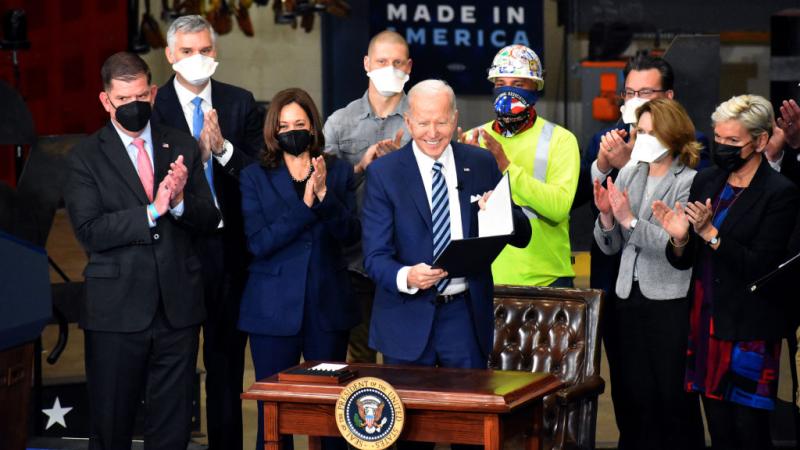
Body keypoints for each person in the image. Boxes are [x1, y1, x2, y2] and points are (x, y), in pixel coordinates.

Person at [64, 52, 219, 449]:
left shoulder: (180, 143)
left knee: (172, 428)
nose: (134, 106)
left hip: (177, 311)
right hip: (116, 312)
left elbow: (209, 217)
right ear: (105, 100)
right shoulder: (85, 157)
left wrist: (179, 201)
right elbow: (90, 231)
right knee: (112, 426)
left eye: (140, 97)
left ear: (152, 93)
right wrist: (152, 211)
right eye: (123, 100)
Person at [652, 94, 800, 449]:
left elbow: (761, 266)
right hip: (706, 323)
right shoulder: (707, 181)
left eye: (733, 140)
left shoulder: (780, 193)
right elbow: (686, 260)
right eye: (718, 137)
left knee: (749, 432)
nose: (722, 146)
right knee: (718, 431)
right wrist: (679, 239)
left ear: (760, 141)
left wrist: (711, 234)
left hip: (749, 330)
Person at [580, 54, 710, 446]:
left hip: (669, 301)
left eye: (650, 131)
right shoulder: (630, 173)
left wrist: (630, 221)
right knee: (633, 397)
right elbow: (611, 245)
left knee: (672, 399)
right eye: (639, 130)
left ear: (672, 133)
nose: (641, 137)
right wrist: (607, 218)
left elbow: (676, 245)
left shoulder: (690, 180)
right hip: (627, 298)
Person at [363, 78, 531, 374]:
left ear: (455, 119)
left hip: (465, 318)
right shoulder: (384, 174)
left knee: (469, 403)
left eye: (441, 122)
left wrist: (500, 212)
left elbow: (522, 235)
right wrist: (407, 276)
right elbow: (375, 257)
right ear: (408, 121)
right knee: (409, 404)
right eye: (423, 123)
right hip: (405, 320)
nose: (432, 133)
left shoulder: (481, 163)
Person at [150, 15, 264, 450]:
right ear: (170, 55)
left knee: (226, 368)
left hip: (229, 254)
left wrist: (223, 150)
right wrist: (196, 157)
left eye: (205, 50)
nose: (197, 58)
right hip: (174, 252)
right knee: (174, 369)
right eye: (187, 51)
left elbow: (259, 176)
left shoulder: (240, 102)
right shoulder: (154, 105)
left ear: (215, 52)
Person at [238, 88, 359, 450]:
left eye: (300, 124)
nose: (292, 131)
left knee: (331, 416)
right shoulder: (254, 176)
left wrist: (324, 198)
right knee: (274, 417)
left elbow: (351, 234)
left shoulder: (337, 171)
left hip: (327, 308)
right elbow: (258, 243)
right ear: (273, 131)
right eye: (284, 126)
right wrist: (305, 205)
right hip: (272, 313)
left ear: (313, 126)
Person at [322, 29, 412, 364]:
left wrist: (402, 169)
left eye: (397, 62)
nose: (390, 69)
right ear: (366, 64)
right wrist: (359, 167)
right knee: (358, 361)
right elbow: (323, 192)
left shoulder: (422, 121)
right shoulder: (340, 123)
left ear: (409, 67)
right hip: (354, 262)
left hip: (407, 260)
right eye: (382, 61)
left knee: (403, 358)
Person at [462, 44, 579, 287]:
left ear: (535, 87)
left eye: (517, 84)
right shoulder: (473, 138)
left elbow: (558, 208)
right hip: (486, 278)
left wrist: (505, 166)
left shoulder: (560, 140)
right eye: (500, 84)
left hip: (547, 279)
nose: (507, 92)